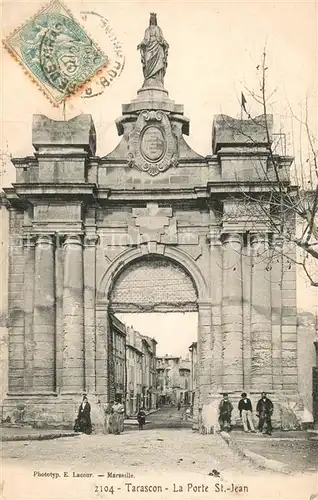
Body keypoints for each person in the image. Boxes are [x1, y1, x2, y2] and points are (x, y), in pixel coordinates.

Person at [137, 13, 169, 87]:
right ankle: (149, 78)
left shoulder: (158, 29)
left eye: (154, 19)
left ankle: (157, 79)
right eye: (151, 19)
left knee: (159, 63)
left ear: (155, 20)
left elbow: (161, 38)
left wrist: (165, 43)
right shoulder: (147, 30)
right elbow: (145, 39)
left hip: (158, 47)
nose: (152, 20)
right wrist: (141, 44)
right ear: (150, 20)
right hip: (149, 47)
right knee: (147, 60)